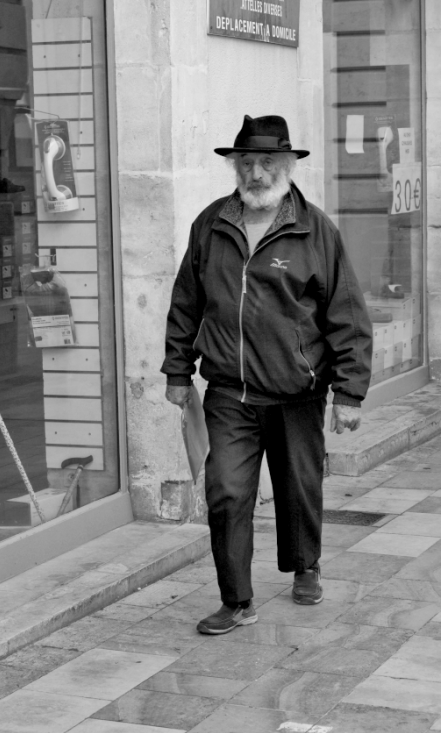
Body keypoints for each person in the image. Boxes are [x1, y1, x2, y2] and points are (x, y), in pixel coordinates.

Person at [162, 115, 372, 636]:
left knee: (299, 487)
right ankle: (236, 600)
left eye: (267, 163)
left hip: (296, 389)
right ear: (236, 167)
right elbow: (187, 301)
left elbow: (345, 312)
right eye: (247, 163)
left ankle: (305, 566)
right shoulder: (211, 224)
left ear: (287, 166)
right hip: (229, 392)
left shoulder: (315, 229)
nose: (255, 173)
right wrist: (176, 369)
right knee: (226, 492)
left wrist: (348, 392)